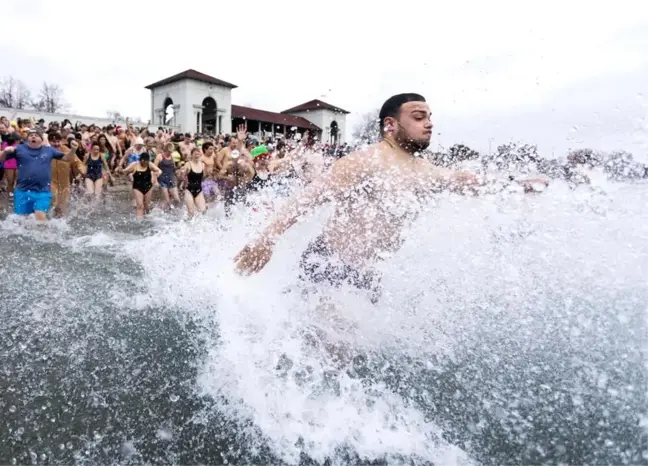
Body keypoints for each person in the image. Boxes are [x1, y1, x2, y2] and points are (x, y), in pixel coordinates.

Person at [234, 93, 548, 302]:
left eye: (429, 116)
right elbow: (308, 199)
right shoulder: (365, 161)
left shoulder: (424, 169)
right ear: (390, 124)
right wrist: (265, 240)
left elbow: (467, 182)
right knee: (336, 350)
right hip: (329, 264)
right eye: (418, 116)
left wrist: (515, 184)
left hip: (367, 275)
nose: (429, 123)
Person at [0, 129, 79, 221]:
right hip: (22, 191)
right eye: (31, 135)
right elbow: (1, 159)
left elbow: (66, 158)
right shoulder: (19, 148)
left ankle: (44, 234)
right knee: (21, 220)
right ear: (27, 139)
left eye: (36, 135)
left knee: (40, 218)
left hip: (43, 192)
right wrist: (5, 151)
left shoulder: (49, 150)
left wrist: (73, 149)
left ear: (42, 139)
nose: (33, 136)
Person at [117, 151, 162, 218]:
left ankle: (148, 217)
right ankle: (139, 220)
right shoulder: (134, 165)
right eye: (144, 162)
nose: (145, 164)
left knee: (146, 205)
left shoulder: (150, 164)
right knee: (140, 205)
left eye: (147, 162)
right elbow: (125, 171)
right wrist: (120, 170)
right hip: (137, 187)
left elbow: (159, 170)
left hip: (148, 187)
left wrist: (157, 174)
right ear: (141, 160)